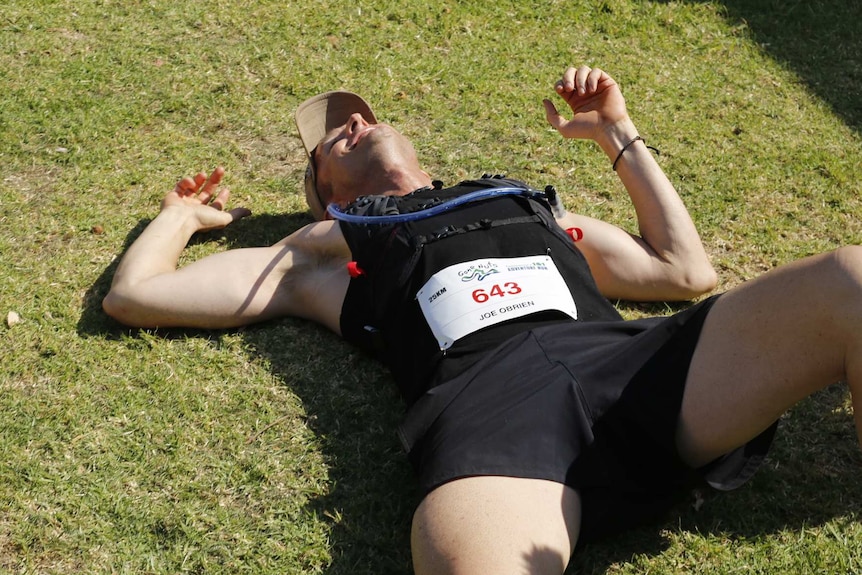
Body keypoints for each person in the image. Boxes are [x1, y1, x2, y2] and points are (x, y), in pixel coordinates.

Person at [102, 64, 862, 575]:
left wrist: (614, 134)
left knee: (852, 276)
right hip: (493, 424)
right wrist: (181, 214)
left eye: (360, 114)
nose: (356, 121)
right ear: (326, 192)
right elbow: (134, 295)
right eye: (334, 136)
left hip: (634, 368)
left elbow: (683, 271)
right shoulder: (322, 253)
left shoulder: (521, 203)